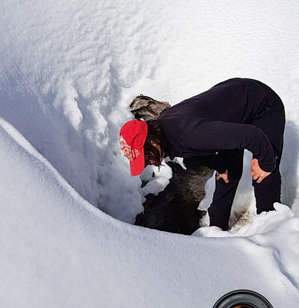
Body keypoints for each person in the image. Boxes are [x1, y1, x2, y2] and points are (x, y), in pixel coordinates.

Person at [119, 78, 285, 231]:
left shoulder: (190, 133)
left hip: (262, 104)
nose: (148, 163)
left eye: (146, 158)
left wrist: (266, 163)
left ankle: (272, 230)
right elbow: (196, 153)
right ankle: (215, 234)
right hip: (230, 113)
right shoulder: (165, 134)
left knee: (264, 174)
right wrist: (220, 165)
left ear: (153, 143)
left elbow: (252, 136)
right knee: (226, 175)